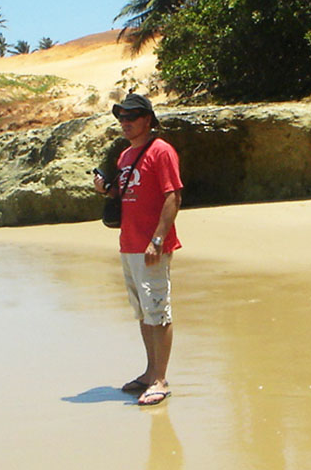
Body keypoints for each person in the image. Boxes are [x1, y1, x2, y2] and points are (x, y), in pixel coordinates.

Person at [94, 93, 182, 407]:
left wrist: (157, 239)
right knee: (144, 313)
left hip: (152, 246)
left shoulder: (161, 151)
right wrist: (106, 188)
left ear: (148, 119)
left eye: (132, 116)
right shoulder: (124, 156)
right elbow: (124, 193)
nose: (126, 122)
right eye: (121, 117)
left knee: (159, 311)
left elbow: (174, 196)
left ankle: (161, 379)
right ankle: (149, 373)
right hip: (128, 245)